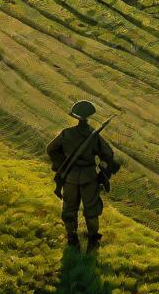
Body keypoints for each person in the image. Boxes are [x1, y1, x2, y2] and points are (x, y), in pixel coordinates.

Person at [47, 99, 120, 250]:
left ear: (75, 116)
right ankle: (93, 239)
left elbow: (51, 149)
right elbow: (108, 154)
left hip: (70, 177)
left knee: (69, 209)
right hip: (89, 177)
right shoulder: (94, 136)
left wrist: (62, 164)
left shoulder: (66, 133)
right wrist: (104, 169)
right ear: (89, 116)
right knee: (91, 210)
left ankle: (72, 238)